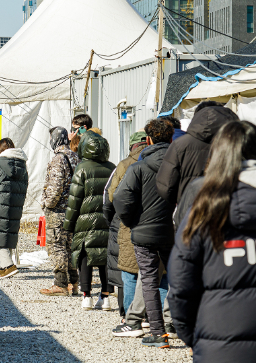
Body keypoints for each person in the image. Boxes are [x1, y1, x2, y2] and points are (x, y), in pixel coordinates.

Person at [168, 121, 256, 362]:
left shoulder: (204, 207)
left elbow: (180, 285)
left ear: (218, 156)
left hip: (218, 346)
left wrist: (196, 337)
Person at [113, 119, 176, 348]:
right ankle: (177, 325)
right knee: (177, 277)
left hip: (143, 233)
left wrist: (133, 222)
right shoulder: (179, 165)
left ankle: (159, 334)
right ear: (171, 139)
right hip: (172, 230)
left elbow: (120, 199)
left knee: (148, 280)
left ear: (148, 140)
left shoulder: (138, 167)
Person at [63, 128, 115, 310]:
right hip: (108, 221)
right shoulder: (112, 167)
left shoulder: (82, 169)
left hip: (85, 222)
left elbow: (74, 200)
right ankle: (106, 297)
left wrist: (68, 225)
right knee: (106, 258)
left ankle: (86, 296)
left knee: (85, 256)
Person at [155, 104, 239, 206]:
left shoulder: (180, 144)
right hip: (226, 209)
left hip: (189, 210)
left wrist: (182, 201)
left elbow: (165, 187)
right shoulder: (237, 143)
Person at [103, 131, 148, 317]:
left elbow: (111, 196)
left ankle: (129, 317)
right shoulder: (164, 161)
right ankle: (152, 316)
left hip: (126, 224)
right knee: (152, 272)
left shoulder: (124, 165)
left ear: (132, 146)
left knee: (127, 270)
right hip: (156, 223)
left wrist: (113, 219)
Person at [40, 127, 81, 296]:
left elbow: (55, 187)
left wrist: (47, 204)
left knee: (57, 246)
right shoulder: (74, 156)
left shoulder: (59, 158)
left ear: (56, 139)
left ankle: (60, 284)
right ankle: (74, 282)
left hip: (58, 211)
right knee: (69, 246)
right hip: (73, 209)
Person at [0, 138, 29, 279]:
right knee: (7, 233)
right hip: (15, 204)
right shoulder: (22, 164)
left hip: (0, 203)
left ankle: (9, 266)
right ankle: (4, 266)